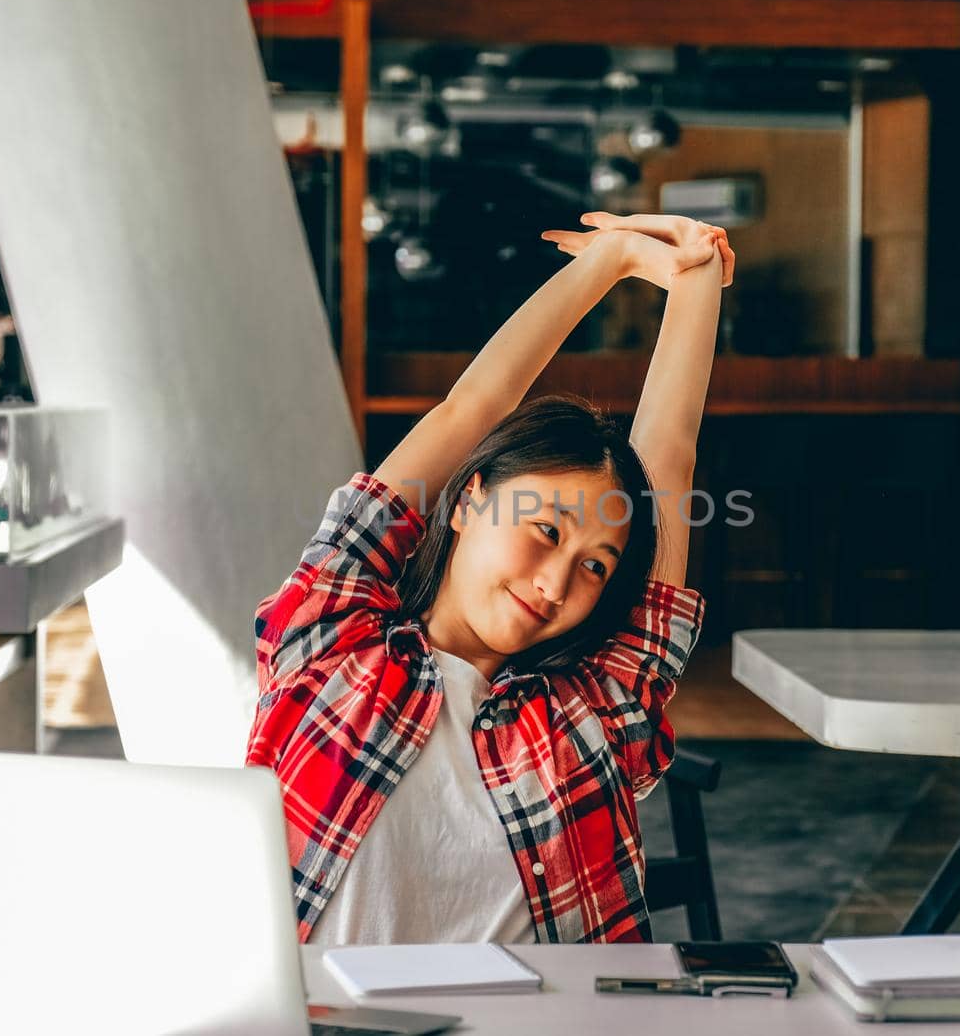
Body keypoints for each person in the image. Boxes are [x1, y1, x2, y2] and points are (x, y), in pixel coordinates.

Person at [247, 212, 735, 946]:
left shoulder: (595, 711)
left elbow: (669, 457)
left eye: (595, 565)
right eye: (545, 531)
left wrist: (696, 273)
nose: (558, 581)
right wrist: (606, 263)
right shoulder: (329, 638)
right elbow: (472, 407)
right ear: (471, 498)